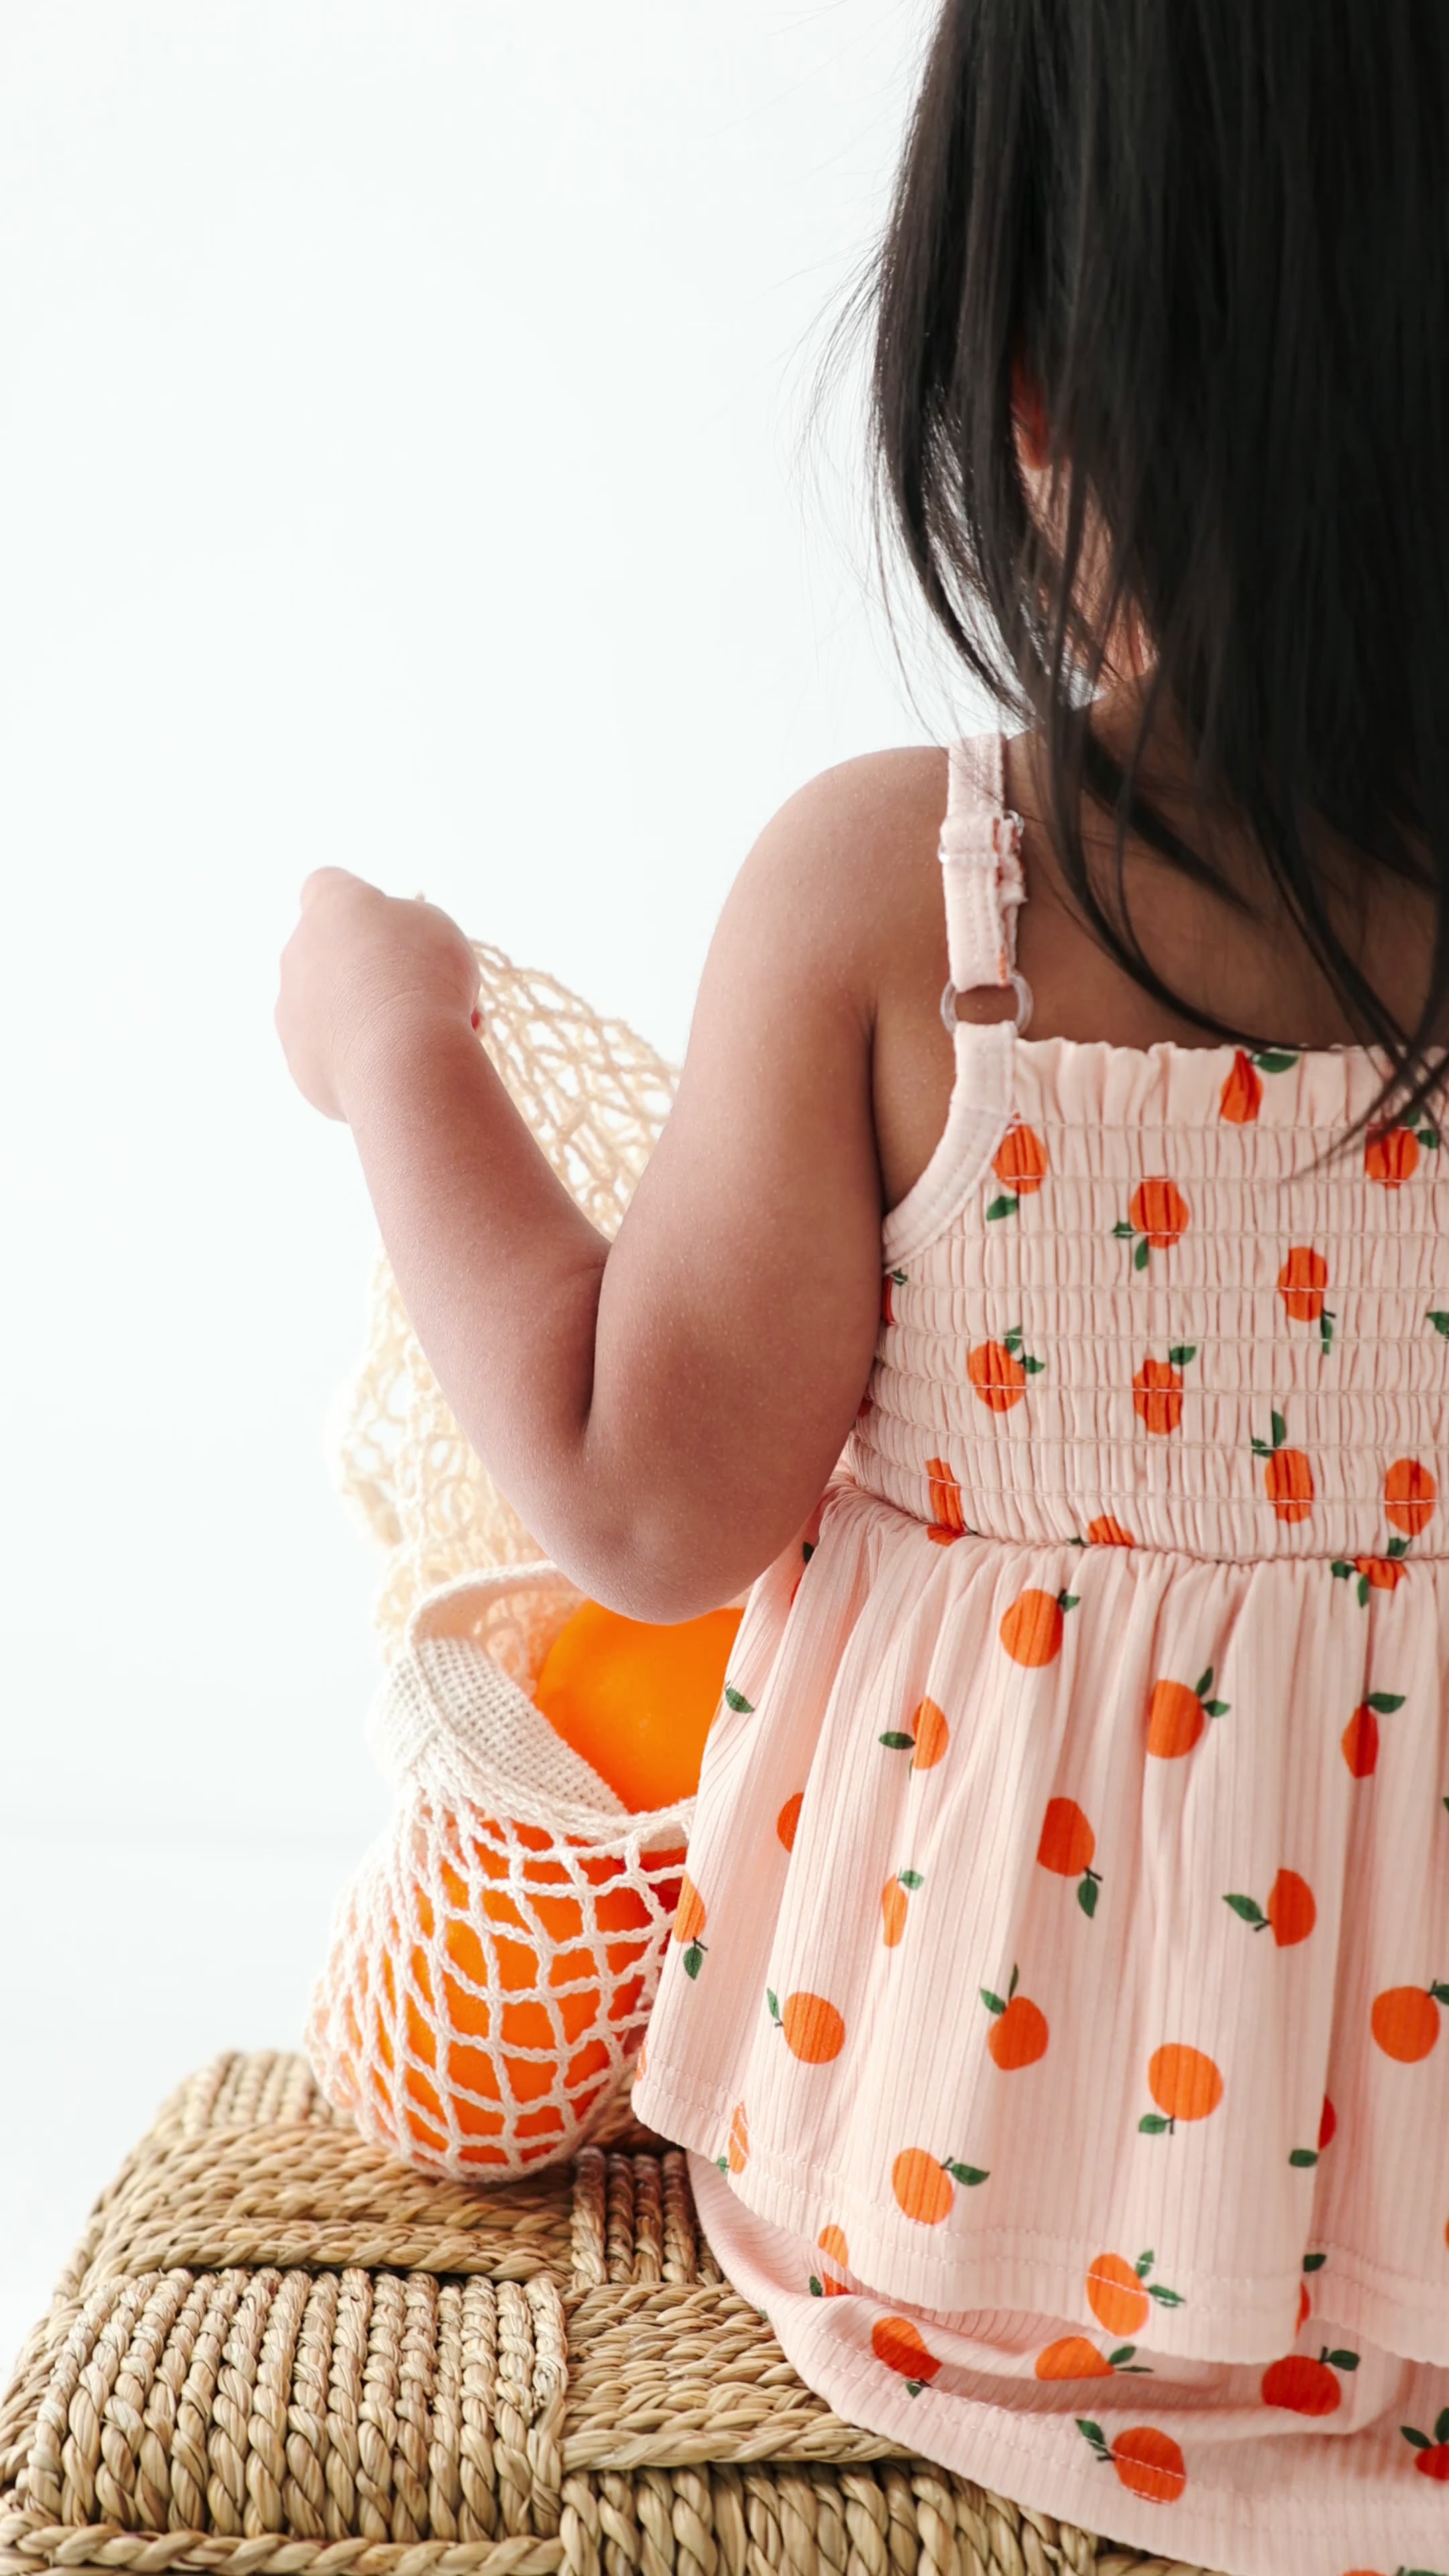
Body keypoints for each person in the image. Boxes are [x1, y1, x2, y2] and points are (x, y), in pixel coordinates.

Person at [274, 6, 1449, 2567]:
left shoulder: (928, 908)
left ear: (1025, 388)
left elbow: (642, 1493)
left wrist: (401, 1049)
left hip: (988, 2238)